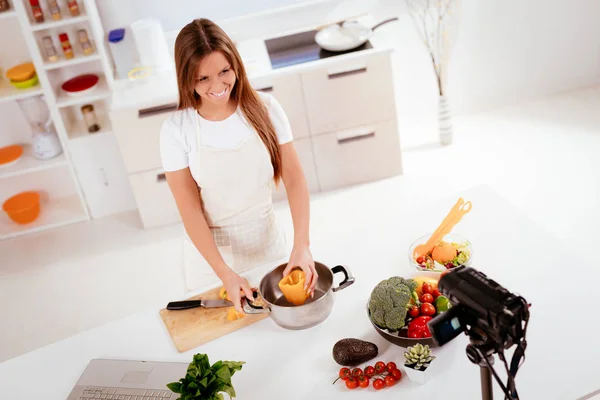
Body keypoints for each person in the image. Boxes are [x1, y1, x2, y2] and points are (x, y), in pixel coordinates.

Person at [159, 18, 318, 313]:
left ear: (236, 65)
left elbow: (295, 180)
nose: (218, 86)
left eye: (224, 71)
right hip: (212, 259)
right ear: (186, 79)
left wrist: (302, 245)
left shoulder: (266, 108)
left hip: (269, 245)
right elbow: (189, 209)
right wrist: (224, 273)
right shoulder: (176, 130)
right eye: (203, 78)